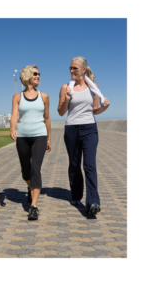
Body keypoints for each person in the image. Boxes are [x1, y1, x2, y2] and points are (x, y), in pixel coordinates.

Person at [58, 56, 110, 215]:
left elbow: (94, 110)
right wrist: (67, 98)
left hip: (89, 128)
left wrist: (104, 108)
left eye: (74, 68)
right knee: (74, 165)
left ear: (83, 70)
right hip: (71, 129)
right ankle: (76, 195)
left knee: (89, 165)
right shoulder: (66, 87)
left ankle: (93, 202)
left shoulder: (93, 88)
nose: (71, 71)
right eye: (70, 68)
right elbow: (61, 112)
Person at [10, 65, 51, 220]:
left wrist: (49, 138)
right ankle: (31, 188)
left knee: (35, 169)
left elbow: (47, 119)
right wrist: (12, 128)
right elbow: (14, 115)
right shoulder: (17, 97)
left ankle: (33, 206)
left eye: (39, 74)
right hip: (22, 137)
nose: (38, 76)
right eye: (35, 74)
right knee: (26, 171)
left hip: (40, 135)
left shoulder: (44, 96)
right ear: (28, 75)